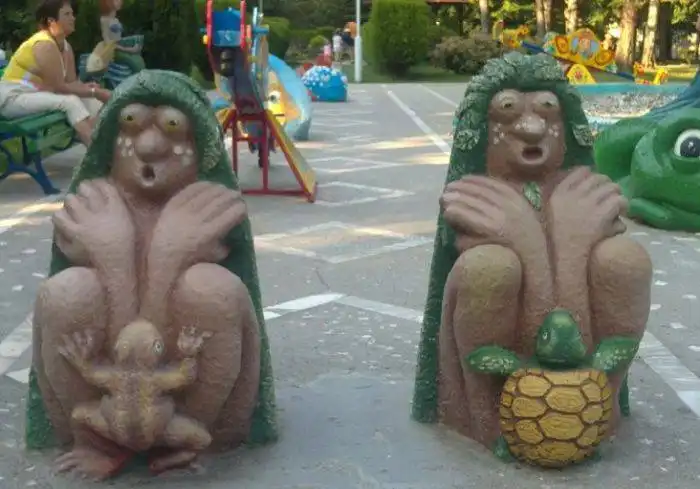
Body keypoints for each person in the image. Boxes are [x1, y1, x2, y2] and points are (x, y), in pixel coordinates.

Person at [0, 0, 111, 146]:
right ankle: (97, 153)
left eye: (72, 14)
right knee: (70, 102)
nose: (73, 18)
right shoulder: (44, 44)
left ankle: (101, 142)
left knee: (92, 101)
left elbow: (71, 83)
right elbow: (59, 88)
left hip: (34, 95)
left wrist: (89, 88)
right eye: (67, 14)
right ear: (51, 21)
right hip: (12, 98)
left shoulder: (65, 46)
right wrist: (94, 92)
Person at [99, 0, 145, 74]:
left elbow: (119, 39)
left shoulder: (116, 20)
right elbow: (107, 42)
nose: (120, 1)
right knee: (135, 63)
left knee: (139, 61)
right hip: (113, 51)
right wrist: (127, 49)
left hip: (120, 47)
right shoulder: (104, 19)